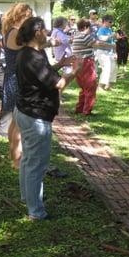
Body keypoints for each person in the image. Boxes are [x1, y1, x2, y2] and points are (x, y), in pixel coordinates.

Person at [14, 17, 79, 220]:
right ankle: (36, 211)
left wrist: (61, 63)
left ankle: (28, 198)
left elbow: (45, 74)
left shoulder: (33, 53)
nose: (48, 33)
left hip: (26, 112)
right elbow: (58, 84)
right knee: (36, 164)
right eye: (45, 30)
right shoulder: (31, 57)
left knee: (28, 160)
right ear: (37, 33)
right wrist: (75, 71)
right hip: (35, 116)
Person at [2, 3, 33, 168]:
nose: (30, 19)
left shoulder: (9, 32)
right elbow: (32, 48)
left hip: (12, 78)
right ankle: (17, 161)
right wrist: (49, 43)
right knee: (19, 124)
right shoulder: (15, 32)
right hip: (17, 80)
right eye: (28, 16)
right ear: (20, 16)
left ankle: (14, 156)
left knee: (15, 121)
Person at [72, 18, 98, 115]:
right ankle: (87, 111)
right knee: (91, 86)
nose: (91, 29)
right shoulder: (85, 36)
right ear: (86, 27)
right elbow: (97, 44)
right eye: (90, 27)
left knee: (83, 87)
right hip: (86, 62)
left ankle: (79, 108)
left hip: (76, 63)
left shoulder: (76, 36)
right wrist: (113, 46)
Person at [96, 15, 117, 90]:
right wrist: (111, 35)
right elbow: (101, 39)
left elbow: (113, 42)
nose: (111, 23)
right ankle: (100, 86)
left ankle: (108, 85)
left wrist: (115, 53)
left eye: (112, 22)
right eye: (110, 22)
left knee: (113, 67)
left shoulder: (110, 30)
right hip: (102, 52)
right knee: (106, 68)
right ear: (105, 21)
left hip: (110, 52)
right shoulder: (101, 29)